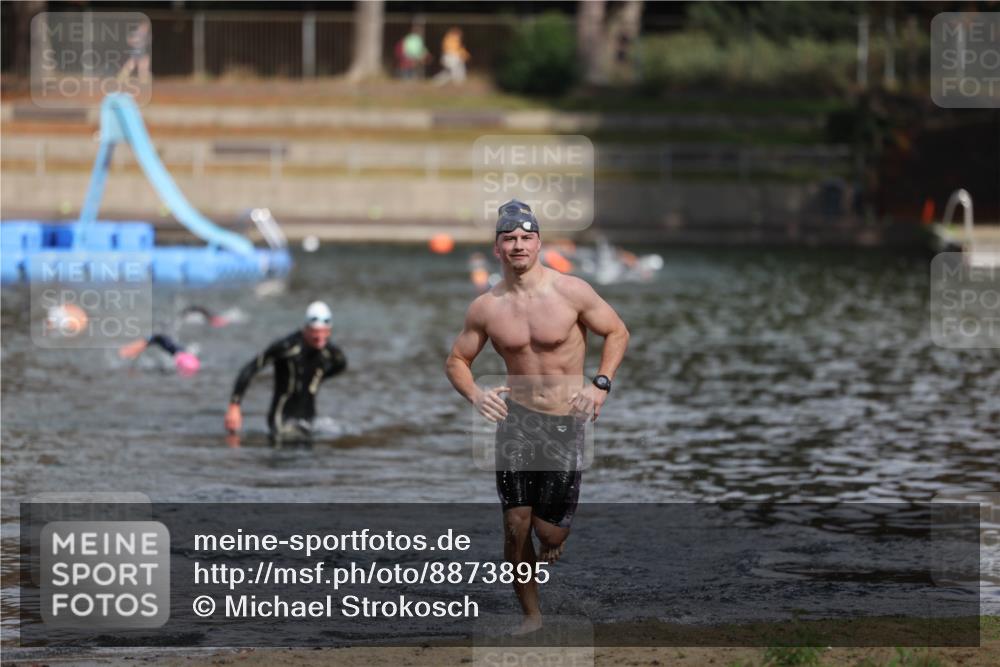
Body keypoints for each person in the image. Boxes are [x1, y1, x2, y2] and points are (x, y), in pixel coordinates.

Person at [445, 199, 629, 634]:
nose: (518, 245)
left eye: (526, 238)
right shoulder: (486, 307)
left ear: (539, 243)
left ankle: (552, 536)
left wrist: (600, 384)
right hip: (517, 423)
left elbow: (617, 331)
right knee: (514, 526)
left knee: (549, 536)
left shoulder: (572, 291)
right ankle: (532, 616)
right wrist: (475, 394)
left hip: (565, 423)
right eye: (509, 238)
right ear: (497, 248)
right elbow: (456, 360)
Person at [224, 302, 347, 440]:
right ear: (306, 328)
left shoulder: (328, 350)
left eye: (324, 332)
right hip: (281, 420)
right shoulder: (286, 347)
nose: (320, 338)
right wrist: (234, 405)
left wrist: (318, 378)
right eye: (315, 332)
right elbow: (250, 368)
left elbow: (341, 365)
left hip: (308, 419)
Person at [119, 333, 201, 377]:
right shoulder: (184, 359)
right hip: (182, 356)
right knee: (159, 338)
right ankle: (134, 349)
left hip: (183, 356)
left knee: (158, 338)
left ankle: (134, 349)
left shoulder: (183, 360)